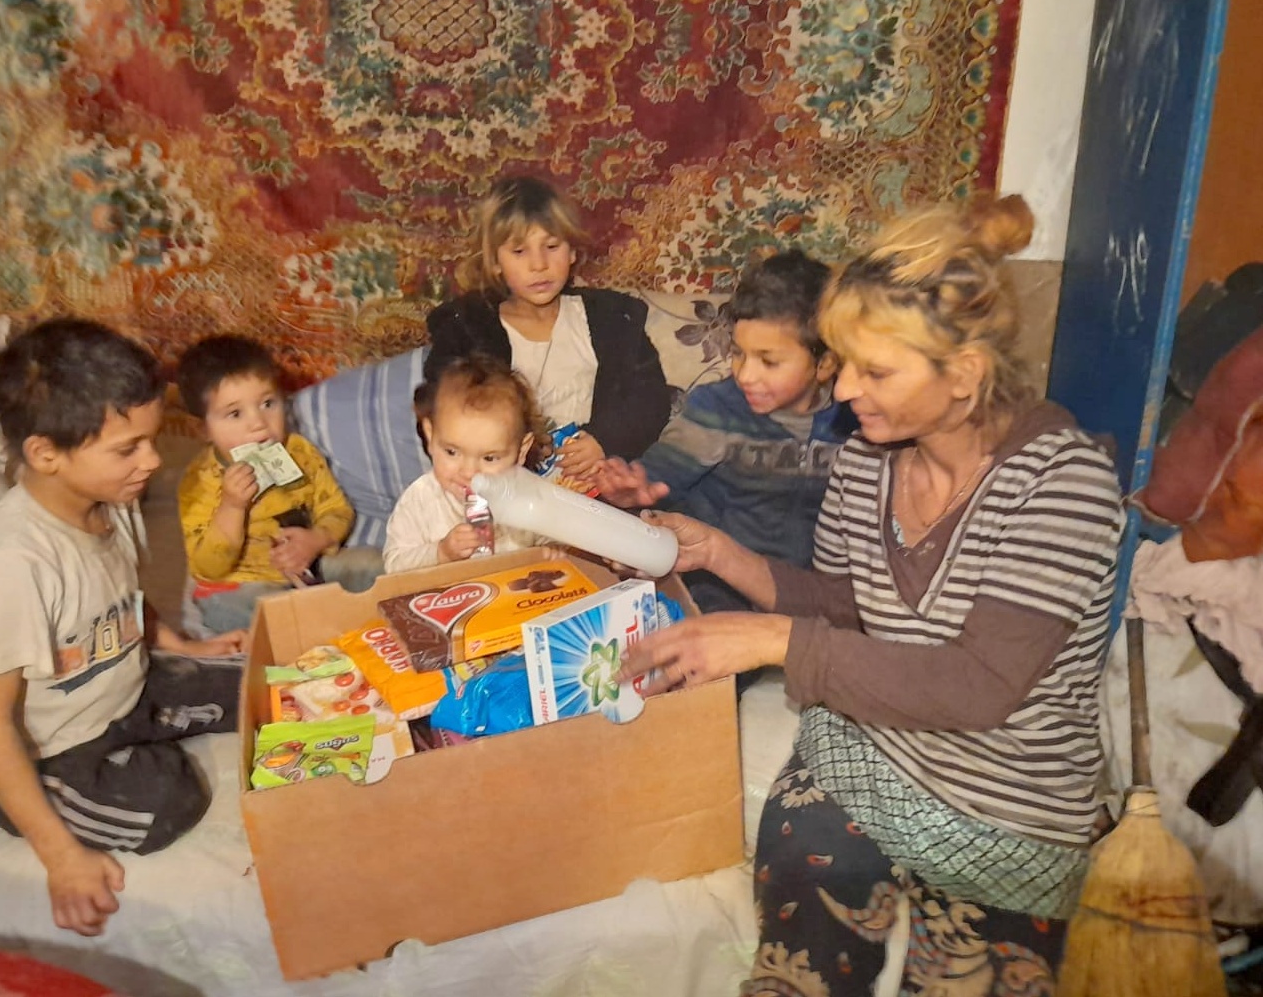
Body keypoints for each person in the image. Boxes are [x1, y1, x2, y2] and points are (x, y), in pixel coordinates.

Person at [615, 196, 1124, 994]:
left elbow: (980, 685)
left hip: (1001, 806)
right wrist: (722, 553)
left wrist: (773, 640)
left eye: (875, 370)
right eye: (845, 362)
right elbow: (850, 606)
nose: (846, 388)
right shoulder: (868, 459)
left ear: (965, 374)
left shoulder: (1062, 482)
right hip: (865, 751)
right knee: (795, 975)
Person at [0, 319, 248, 939]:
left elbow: (125, 601)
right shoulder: (10, 564)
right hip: (50, 751)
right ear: (45, 453)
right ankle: (133, 752)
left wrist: (184, 646)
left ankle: (151, 724)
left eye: (150, 441)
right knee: (169, 802)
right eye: (128, 448)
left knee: (259, 681)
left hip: (122, 689)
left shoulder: (113, 502)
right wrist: (62, 858)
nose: (152, 461)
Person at [596, 250, 856, 614]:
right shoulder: (716, 409)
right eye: (738, 353)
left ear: (825, 363)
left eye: (769, 361)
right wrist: (636, 490)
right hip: (718, 586)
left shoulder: (854, 421)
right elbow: (660, 474)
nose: (745, 374)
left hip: (808, 593)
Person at [422, 175, 671, 481]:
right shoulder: (469, 333)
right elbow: (441, 411)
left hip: (597, 486)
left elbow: (650, 399)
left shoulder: (611, 321)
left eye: (552, 246)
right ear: (495, 262)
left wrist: (606, 440)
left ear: (572, 251)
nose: (539, 264)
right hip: (505, 486)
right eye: (519, 251)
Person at [175, 335, 372, 633]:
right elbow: (209, 567)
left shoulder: (300, 452)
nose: (258, 423)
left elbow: (337, 510)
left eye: (268, 403)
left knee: (372, 564)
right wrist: (232, 506)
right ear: (202, 429)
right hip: (244, 584)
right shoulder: (199, 481)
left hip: (309, 565)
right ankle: (315, 619)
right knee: (223, 609)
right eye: (235, 413)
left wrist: (316, 540)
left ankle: (315, 615)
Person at [384, 354, 549, 572]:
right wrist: (441, 553)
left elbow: (556, 541)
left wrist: (552, 553)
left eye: (489, 458)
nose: (469, 472)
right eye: (452, 452)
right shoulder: (421, 499)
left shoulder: (529, 496)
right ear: (430, 436)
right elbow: (394, 565)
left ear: (521, 451)